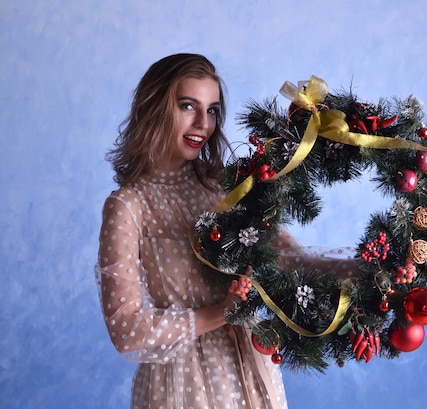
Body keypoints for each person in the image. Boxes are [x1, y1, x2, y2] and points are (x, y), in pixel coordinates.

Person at [95, 53, 289, 409]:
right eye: (188, 106)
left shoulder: (224, 188)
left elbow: (291, 258)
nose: (203, 123)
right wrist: (221, 313)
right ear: (154, 108)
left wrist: (373, 269)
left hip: (251, 372)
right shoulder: (128, 205)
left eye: (212, 110)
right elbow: (126, 329)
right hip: (181, 386)